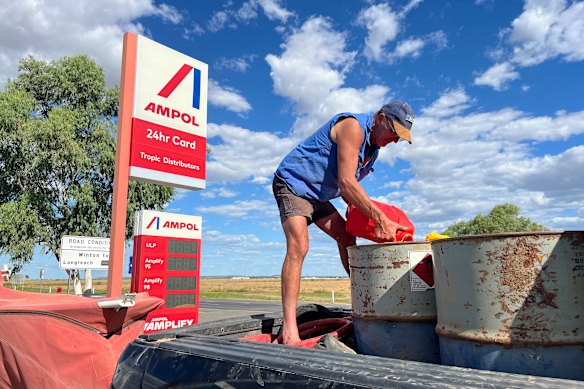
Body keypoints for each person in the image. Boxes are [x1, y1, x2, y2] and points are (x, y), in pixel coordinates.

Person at [272, 101, 415, 345]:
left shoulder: (373, 149)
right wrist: (380, 219)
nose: (395, 140)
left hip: (318, 196)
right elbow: (347, 183)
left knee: (348, 238)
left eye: (400, 138)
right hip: (293, 185)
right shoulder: (353, 127)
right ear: (381, 118)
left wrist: (369, 220)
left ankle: (363, 303)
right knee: (299, 246)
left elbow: (350, 192)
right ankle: (289, 329)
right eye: (394, 132)